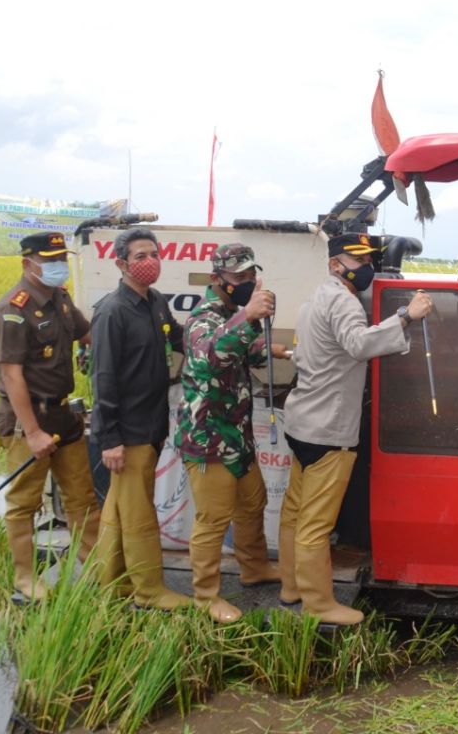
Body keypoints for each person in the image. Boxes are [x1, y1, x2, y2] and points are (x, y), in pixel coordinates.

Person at [281, 232, 433, 625]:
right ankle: (318, 604)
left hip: (302, 422)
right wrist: (406, 316)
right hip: (328, 430)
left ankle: (291, 587)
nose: (365, 267)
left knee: (294, 513)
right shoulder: (344, 302)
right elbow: (357, 344)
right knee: (315, 524)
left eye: (368, 260)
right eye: (357, 260)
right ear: (336, 264)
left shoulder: (317, 298)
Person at [175, 243, 291, 623]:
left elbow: (245, 352)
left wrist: (273, 348)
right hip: (209, 439)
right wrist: (248, 316)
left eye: (250, 275)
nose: (245, 282)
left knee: (252, 502)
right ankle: (206, 597)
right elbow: (209, 357)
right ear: (217, 280)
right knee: (212, 520)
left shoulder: (231, 313)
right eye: (237, 277)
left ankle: (254, 567)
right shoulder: (203, 317)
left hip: (237, 436)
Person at [0, 231, 101, 601]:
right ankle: (24, 578)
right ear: (27, 263)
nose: (57, 267)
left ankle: (97, 567)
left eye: (60, 260)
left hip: (63, 414)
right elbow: (11, 376)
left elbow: (87, 335)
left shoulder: (61, 299)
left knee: (83, 499)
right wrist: (33, 432)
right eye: (49, 261)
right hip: (26, 422)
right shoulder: (12, 311)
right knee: (24, 503)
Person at [88, 227, 190, 610]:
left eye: (154, 254)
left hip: (151, 423)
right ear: (121, 264)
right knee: (139, 514)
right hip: (127, 432)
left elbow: (179, 338)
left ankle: (110, 584)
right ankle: (149, 590)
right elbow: (104, 379)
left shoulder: (155, 302)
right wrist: (109, 439)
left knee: (118, 510)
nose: (150, 263)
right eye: (140, 257)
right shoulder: (112, 312)